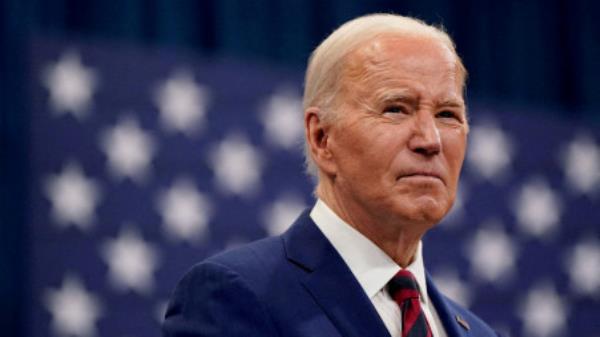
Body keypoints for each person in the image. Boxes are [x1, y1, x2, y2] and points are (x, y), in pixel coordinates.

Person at [163, 13, 500, 337]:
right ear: (322, 138)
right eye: (396, 109)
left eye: (447, 114)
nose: (430, 140)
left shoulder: (481, 333)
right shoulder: (234, 298)